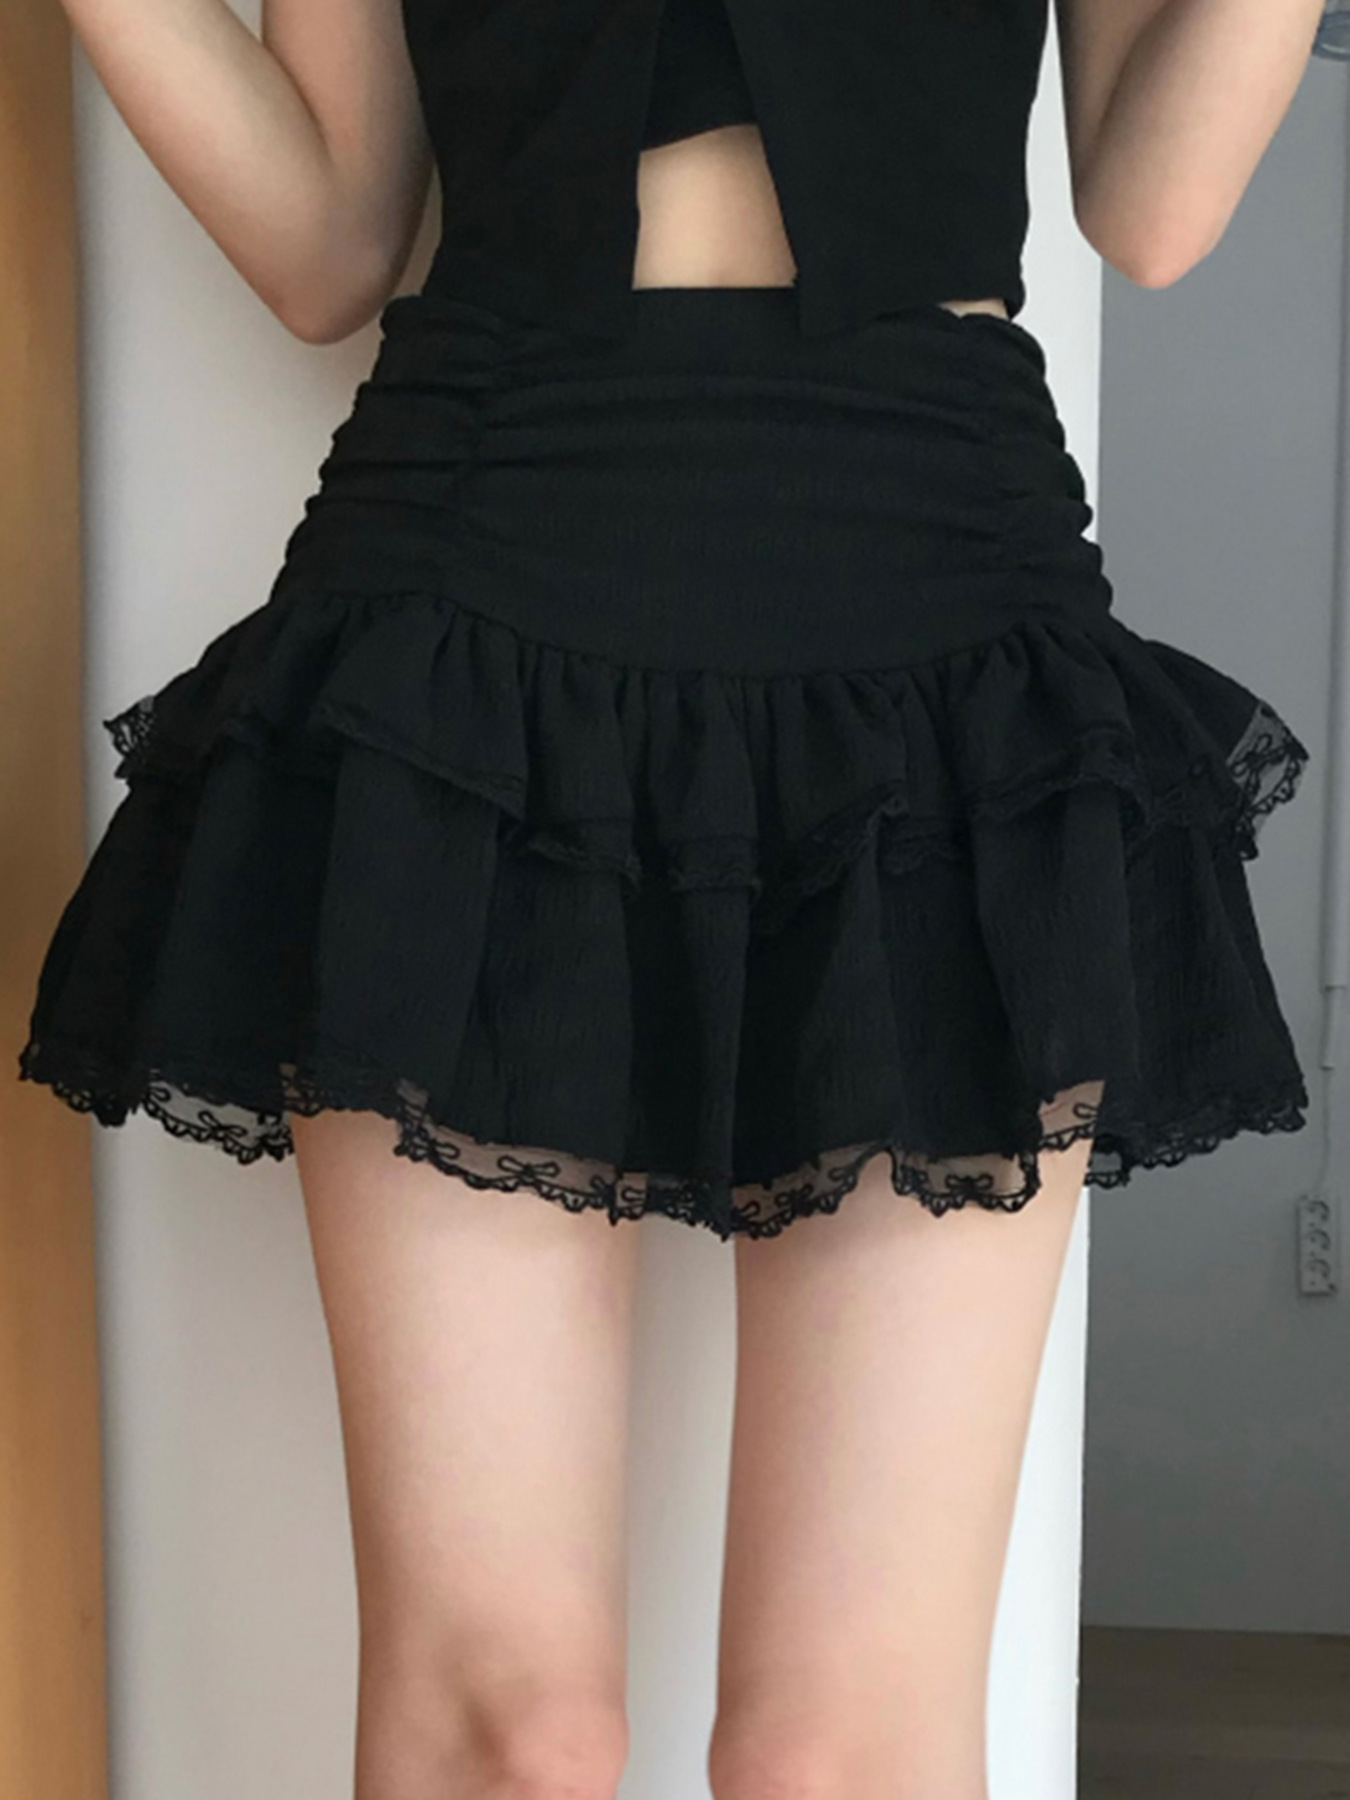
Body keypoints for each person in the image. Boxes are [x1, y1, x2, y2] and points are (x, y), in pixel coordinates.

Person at [17, 0, 1325, 1795]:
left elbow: (1154, 207)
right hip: (471, 593)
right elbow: (329, 246)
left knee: (831, 1755)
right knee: (512, 1737)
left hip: (933, 605)